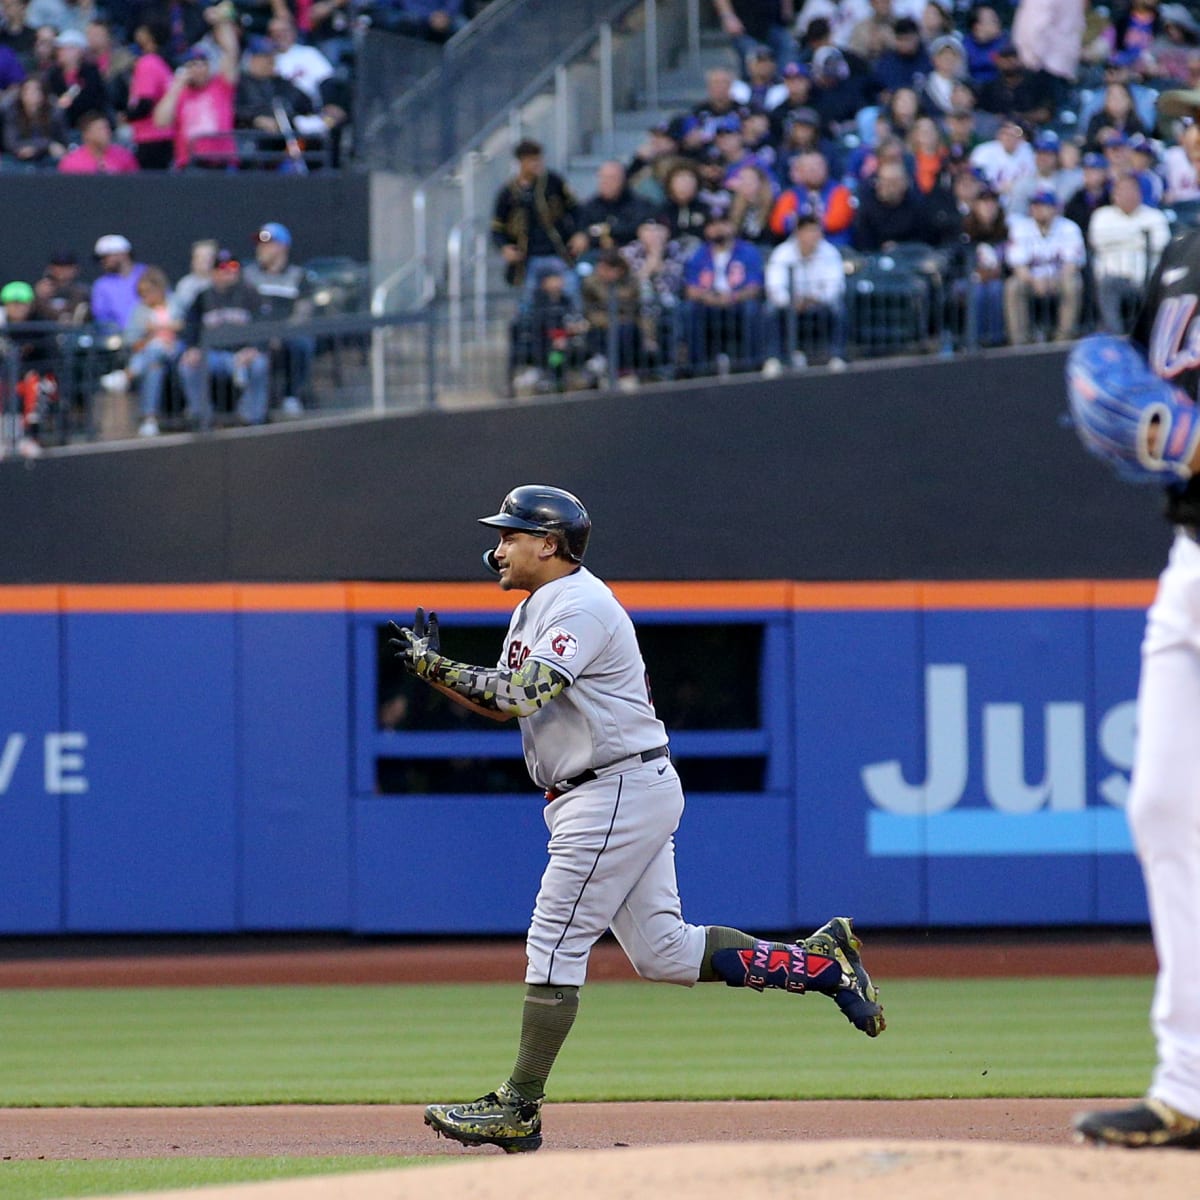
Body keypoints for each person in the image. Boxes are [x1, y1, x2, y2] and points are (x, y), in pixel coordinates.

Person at [401, 484, 885, 1154]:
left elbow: (524, 693)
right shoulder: (536, 609)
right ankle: (821, 964)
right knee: (665, 952)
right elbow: (512, 704)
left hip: (613, 788)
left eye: (512, 534)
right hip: (615, 786)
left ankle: (519, 1107)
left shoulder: (582, 604)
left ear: (550, 544)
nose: (499, 546)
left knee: (553, 941)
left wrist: (439, 666)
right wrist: (438, 676)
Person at [1067, 232, 1200, 1151]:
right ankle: (1187, 1085)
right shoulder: (1182, 255)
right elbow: (1130, 386)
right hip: (1191, 560)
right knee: (1160, 805)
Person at [177, 248, 269, 427]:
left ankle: (252, 416)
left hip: (243, 353)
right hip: (213, 356)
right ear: (213, 272)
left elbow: (263, 325)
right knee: (187, 365)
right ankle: (201, 415)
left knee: (260, 363)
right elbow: (190, 327)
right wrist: (192, 349)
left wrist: (255, 348)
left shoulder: (250, 294)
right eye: (223, 267)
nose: (229, 272)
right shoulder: (202, 297)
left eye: (233, 267)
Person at [491, 139, 580, 307]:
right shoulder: (508, 192)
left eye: (538, 159)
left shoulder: (553, 182)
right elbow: (497, 227)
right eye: (531, 160)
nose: (537, 164)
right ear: (521, 162)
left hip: (558, 252)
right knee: (528, 301)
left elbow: (575, 209)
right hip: (527, 257)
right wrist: (504, 247)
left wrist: (578, 233)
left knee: (571, 290)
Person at [98, 265, 183, 437]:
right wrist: (151, 336)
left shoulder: (175, 302)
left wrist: (161, 328)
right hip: (152, 354)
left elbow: (184, 326)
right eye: (142, 293)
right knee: (154, 366)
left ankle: (127, 375)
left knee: (156, 351)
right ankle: (149, 420)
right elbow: (133, 342)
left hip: (178, 352)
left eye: (149, 292)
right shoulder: (140, 310)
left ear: (159, 289)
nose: (145, 297)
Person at [152, 10, 239, 169]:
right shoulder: (180, 94)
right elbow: (161, 121)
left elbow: (231, 52)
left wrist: (221, 21)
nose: (198, 69)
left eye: (202, 64)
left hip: (222, 161)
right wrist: (177, 86)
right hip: (191, 163)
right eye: (192, 64)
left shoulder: (220, 86)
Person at [242, 220, 313, 415]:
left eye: (267, 242)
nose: (261, 248)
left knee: (301, 343)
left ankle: (291, 396)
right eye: (260, 243)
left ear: (282, 246)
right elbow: (244, 311)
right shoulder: (248, 275)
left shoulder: (298, 276)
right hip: (256, 333)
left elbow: (303, 312)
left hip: (287, 333)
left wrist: (281, 333)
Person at [1087, 171, 1171, 334]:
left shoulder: (1154, 216)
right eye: (1122, 191)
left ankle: (1157, 334)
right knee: (1107, 284)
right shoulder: (1102, 216)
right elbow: (1098, 240)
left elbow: (1162, 243)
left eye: (1132, 191)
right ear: (1114, 195)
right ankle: (1116, 336)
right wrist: (1141, 237)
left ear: (1139, 194)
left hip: (1149, 280)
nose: (1128, 195)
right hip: (1115, 279)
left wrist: (1118, 238)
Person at [762, 210, 846, 371]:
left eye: (816, 230)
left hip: (819, 303)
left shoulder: (829, 252)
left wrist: (815, 298)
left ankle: (837, 356)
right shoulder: (782, 253)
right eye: (809, 231)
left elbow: (836, 287)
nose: (814, 235)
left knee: (839, 308)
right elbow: (774, 287)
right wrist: (791, 302)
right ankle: (773, 359)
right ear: (798, 233)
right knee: (769, 309)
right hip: (789, 305)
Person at [1003, 189, 1085, 343]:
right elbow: (1017, 265)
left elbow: (1072, 265)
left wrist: (1055, 280)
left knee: (1073, 283)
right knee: (1013, 286)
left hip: (1059, 278)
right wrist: (1034, 281)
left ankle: (1063, 339)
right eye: (1035, 205)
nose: (1038, 209)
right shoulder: (1021, 228)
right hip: (1031, 280)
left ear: (1055, 209)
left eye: (1043, 205)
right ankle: (1020, 343)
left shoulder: (1069, 227)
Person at [90, 233, 146, 332]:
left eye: (105, 257)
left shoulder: (147, 274)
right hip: (119, 341)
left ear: (122, 254)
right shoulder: (101, 285)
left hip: (151, 336)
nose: (102, 262)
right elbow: (101, 318)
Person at [57, 109, 139, 172]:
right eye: (100, 129)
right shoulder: (71, 163)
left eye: (107, 128)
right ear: (86, 134)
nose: (106, 132)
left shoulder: (124, 157)